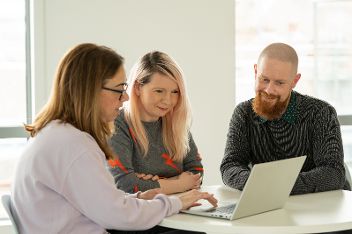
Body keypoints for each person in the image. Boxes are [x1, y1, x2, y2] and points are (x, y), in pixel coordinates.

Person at [11, 43, 217, 234]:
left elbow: (106, 203)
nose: (126, 98)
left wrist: (137, 196)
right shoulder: (74, 146)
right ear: (90, 90)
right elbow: (119, 213)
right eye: (119, 90)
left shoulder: (58, 136)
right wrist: (176, 201)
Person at [220, 42, 351, 195]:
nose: (269, 90)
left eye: (279, 83)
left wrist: (278, 186)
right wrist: (258, 184)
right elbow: (230, 165)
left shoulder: (321, 112)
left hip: (323, 209)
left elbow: (333, 174)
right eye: (264, 79)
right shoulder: (243, 113)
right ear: (255, 71)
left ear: (295, 81)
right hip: (272, 205)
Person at [108, 51, 203, 195]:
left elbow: (197, 171)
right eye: (159, 91)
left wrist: (153, 184)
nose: (168, 100)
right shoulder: (117, 123)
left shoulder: (175, 121)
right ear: (138, 87)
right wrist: (179, 183)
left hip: (179, 210)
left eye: (175, 92)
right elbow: (124, 184)